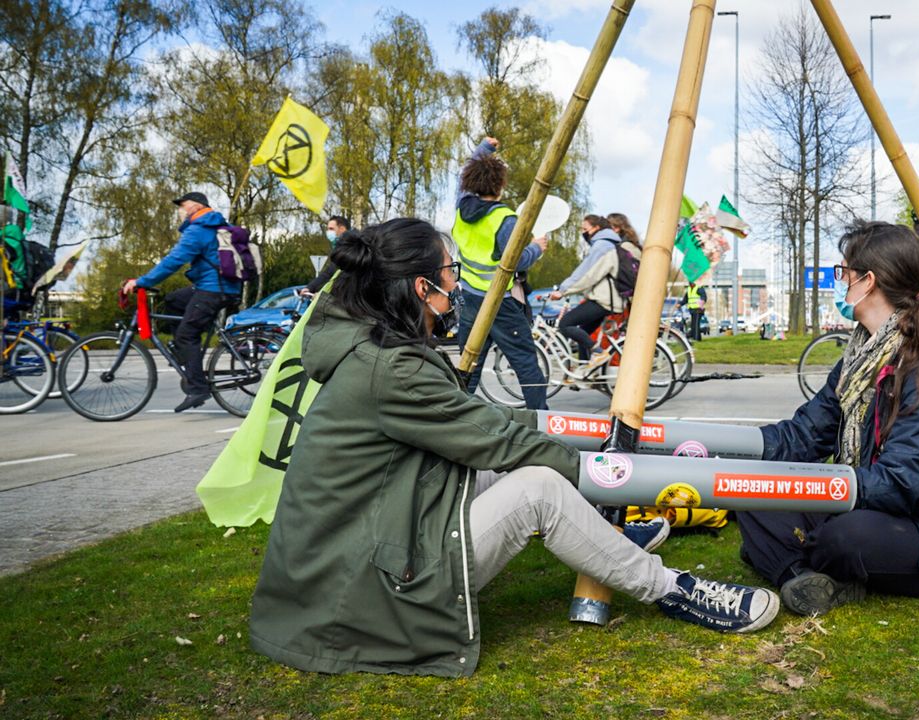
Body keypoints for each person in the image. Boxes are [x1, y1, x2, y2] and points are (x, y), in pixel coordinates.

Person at [249, 218, 779, 677]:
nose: (456, 281)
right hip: (361, 595)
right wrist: (595, 468)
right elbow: (497, 439)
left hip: (347, 562)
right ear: (420, 286)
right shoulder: (390, 368)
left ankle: (600, 536)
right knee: (539, 487)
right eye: (451, 270)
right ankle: (674, 590)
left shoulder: (370, 344)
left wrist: (580, 430)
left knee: (512, 472)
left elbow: (481, 421)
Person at [736, 220, 919, 616]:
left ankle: (792, 559)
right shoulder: (860, 356)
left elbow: (904, 484)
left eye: (842, 273)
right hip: (872, 500)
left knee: (845, 537)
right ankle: (803, 577)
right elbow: (804, 434)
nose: (839, 282)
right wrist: (736, 456)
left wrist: (813, 490)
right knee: (750, 491)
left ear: (867, 281)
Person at [451, 136, 550, 410]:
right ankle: (540, 421)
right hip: (499, 303)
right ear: (501, 185)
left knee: (468, 365)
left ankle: (458, 416)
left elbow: (464, 175)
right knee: (526, 363)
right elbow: (516, 261)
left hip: (469, 298)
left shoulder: (462, 207)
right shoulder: (504, 218)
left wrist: (484, 149)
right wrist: (536, 248)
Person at [123, 192, 242, 412]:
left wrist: (141, 281)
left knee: (188, 334)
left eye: (182, 205)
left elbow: (173, 262)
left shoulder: (198, 230)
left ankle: (197, 388)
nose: (180, 210)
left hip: (213, 289)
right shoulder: (214, 225)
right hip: (219, 286)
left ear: (195, 207)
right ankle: (184, 353)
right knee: (173, 300)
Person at [549, 214, 640, 366]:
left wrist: (563, 290)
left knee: (565, 324)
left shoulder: (602, 245)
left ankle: (598, 354)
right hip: (611, 299)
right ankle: (584, 371)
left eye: (585, 229)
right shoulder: (614, 243)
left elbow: (587, 273)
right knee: (584, 332)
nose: (583, 232)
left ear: (597, 228)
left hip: (603, 300)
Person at [301, 215, 350, 298]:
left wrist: (326, 295)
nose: (328, 232)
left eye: (331, 229)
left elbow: (344, 277)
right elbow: (329, 272)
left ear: (342, 229)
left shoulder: (352, 248)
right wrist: (310, 287)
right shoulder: (339, 248)